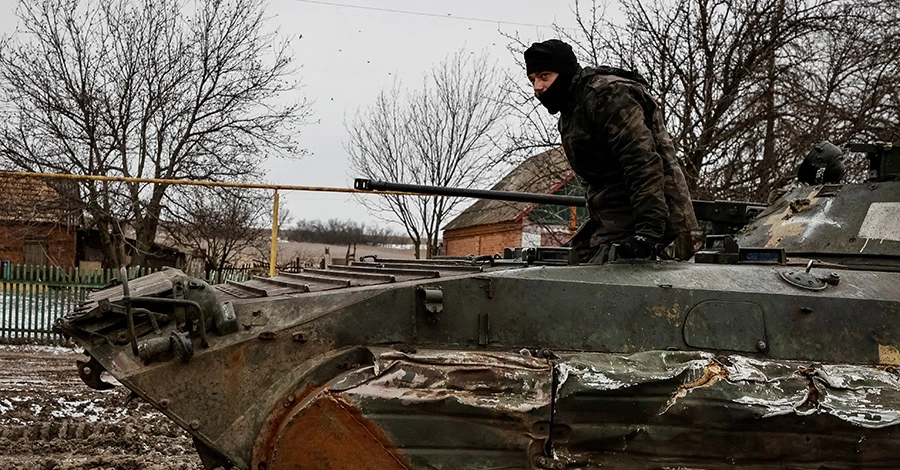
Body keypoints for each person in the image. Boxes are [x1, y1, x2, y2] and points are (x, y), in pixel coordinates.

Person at [524, 39, 699, 263]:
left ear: (565, 72)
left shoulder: (609, 96)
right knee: (552, 266)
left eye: (544, 76)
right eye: (533, 80)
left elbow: (642, 163)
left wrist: (648, 233)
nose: (537, 87)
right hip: (613, 225)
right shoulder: (571, 112)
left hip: (661, 228)